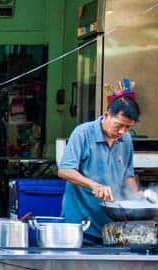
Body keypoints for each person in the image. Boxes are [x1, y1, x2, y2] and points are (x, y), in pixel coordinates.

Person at [58, 95, 141, 244]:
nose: (122, 131)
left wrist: (138, 201)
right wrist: (94, 185)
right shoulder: (82, 133)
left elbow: (128, 175)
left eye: (128, 127)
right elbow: (65, 170)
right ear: (107, 115)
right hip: (81, 226)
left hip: (112, 227)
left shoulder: (126, 139)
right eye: (119, 125)